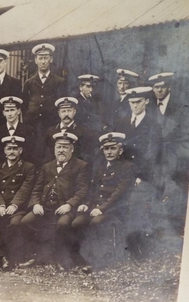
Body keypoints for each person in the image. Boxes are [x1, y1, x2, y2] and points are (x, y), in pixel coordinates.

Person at [20, 132, 90, 269]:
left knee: (63, 224)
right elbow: (37, 189)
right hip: (45, 207)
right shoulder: (47, 166)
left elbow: (82, 190)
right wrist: (36, 204)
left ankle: (60, 258)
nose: (61, 150)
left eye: (65, 147)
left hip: (66, 208)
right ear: (54, 149)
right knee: (26, 221)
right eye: (58, 147)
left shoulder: (81, 166)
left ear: (72, 149)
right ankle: (36, 255)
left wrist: (69, 205)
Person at [71, 132, 135, 269]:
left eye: (113, 148)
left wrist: (101, 209)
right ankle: (80, 259)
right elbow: (94, 190)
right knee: (77, 222)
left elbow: (118, 194)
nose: (109, 152)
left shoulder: (127, 167)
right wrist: (86, 204)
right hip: (96, 207)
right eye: (106, 149)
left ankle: (99, 261)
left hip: (116, 209)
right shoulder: (100, 167)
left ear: (121, 150)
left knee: (96, 222)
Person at [114, 86, 162, 258]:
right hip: (123, 173)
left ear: (146, 101)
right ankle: (117, 247)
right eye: (131, 102)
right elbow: (117, 150)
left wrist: (139, 176)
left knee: (136, 205)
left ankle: (137, 248)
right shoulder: (122, 123)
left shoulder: (153, 125)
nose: (134, 106)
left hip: (142, 176)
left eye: (138, 102)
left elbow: (152, 154)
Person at [148, 72, 189, 232]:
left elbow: (186, 134)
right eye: (156, 87)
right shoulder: (150, 106)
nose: (159, 90)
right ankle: (157, 225)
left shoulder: (181, 107)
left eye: (162, 87)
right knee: (155, 183)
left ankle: (176, 225)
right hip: (158, 153)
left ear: (169, 87)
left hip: (176, 153)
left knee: (174, 186)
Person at [0, 136, 35, 270]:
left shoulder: (28, 167)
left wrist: (14, 205)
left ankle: (9, 258)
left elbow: (26, 188)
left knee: (15, 223)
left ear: (20, 150)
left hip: (18, 206)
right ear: (4, 151)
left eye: (15, 149)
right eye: (9, 149)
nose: (12, 151)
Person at [22, 43, 67, 165]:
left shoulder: (59, 82)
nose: (43, 61)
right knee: (32, 153)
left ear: (51, 59)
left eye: (46, 58)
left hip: (51, 124)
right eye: (40, 58)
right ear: (36, 60)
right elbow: (24, 105)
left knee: (49, 155)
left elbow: (61, 104)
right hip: (33, 126)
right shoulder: (29, 83)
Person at [44, 97, 96, 164]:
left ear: (74, 112)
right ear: (59, 113)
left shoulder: (82, 131)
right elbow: (46, 154)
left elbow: (86, 155)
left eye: (69, 111)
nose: (66, 114)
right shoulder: (51, 131)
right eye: (63, 111)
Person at [0, 96, 35, 166]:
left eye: (12, 110)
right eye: (7, 111)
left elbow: (30, 154)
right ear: (3, 113)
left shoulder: (28, 130)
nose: (9, 114)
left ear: (18, 111)